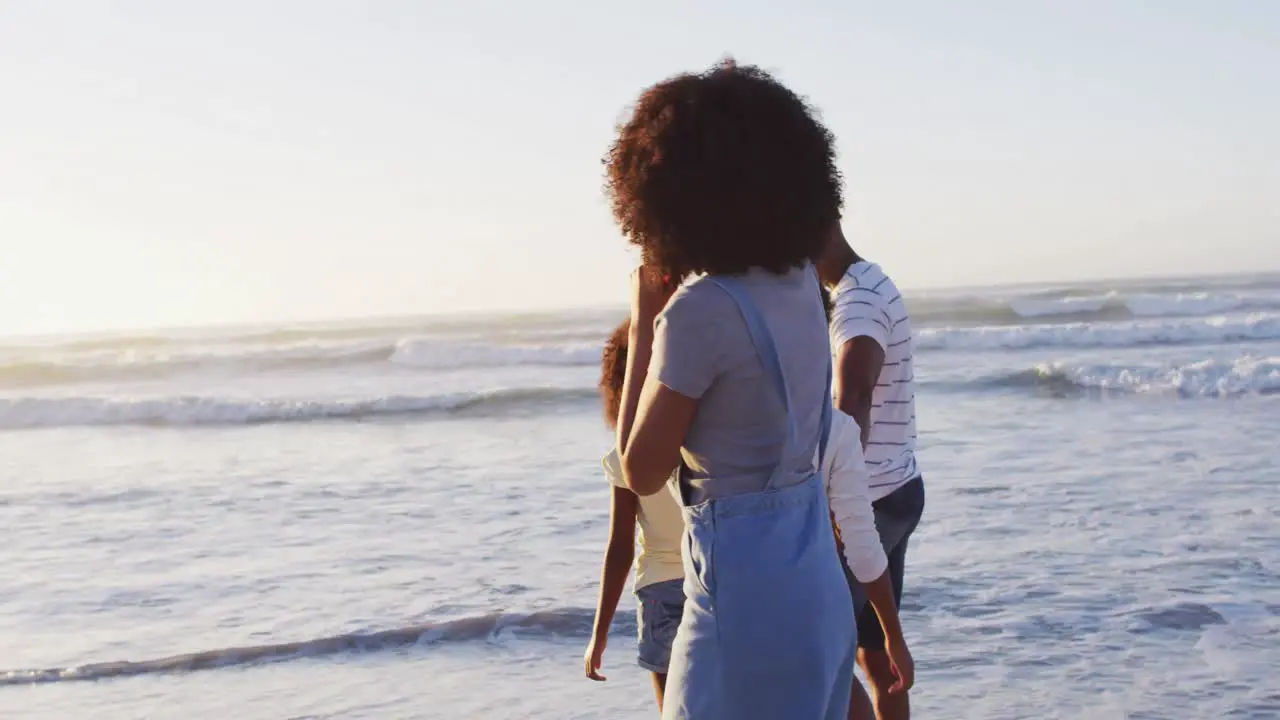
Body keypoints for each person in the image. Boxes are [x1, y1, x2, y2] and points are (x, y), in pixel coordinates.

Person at [606, 58, 892, 719]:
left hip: (743, 589)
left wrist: (648, 315)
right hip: (812, 573)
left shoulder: (699, 311)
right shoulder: (798, 281)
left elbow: (640, 468)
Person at [585, 316, 914, 717]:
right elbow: (859, 542)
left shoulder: (677, 446)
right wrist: (892, 633)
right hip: (770, 594)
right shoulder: (808, 433)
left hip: (695, 598)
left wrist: (599, 632)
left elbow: (623, 536)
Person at [817, 224, 927, 720]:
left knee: (821, 656)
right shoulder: (872, 281)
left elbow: (854, 399)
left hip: (873, 500)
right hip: (899, 486)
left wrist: (836, 500)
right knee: (877, 657)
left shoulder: (856, 304)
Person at [585, 320, 687, 712]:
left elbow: (620, 548)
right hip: (715, 582)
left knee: (674, 711)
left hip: (660, 591)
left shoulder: (624, 456)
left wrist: (600, 633)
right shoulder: (706, 440)